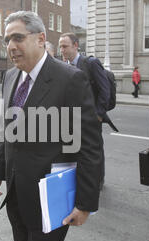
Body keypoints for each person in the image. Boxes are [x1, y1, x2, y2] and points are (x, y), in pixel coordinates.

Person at [0, 11, 101, 241]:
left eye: (18, 37)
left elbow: (90, 147)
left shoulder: (70, 79)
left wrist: (85, 204)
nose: (11, 46)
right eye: (6, 40)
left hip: (50, 197)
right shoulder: (9, 77)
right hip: (16, 192)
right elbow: (6, 130)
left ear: (40, 38)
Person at [59, 32, 111, 190]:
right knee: (76, 151)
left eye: (65, 46)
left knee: (94, 150)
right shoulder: (64, 65)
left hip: (91, 117)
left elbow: (105, 90)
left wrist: (99, 115)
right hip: (72, 118)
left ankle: (98, 180)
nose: (62, 50)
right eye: (60, 46)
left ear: (76, 45)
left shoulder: (90, 63)